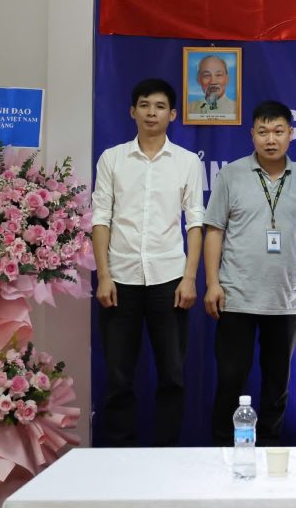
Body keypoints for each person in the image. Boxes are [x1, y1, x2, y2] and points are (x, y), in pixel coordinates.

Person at [91, 78, 204, 447]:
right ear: (132, 111)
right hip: (119, 279)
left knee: (172, 374)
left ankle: (165, 453)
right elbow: (100, 219)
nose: (151, 112)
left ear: (172, 114)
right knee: (119, 375)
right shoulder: (112, 158)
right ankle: (120, 454)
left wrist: (189, 279)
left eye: (159, 106)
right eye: (144, 105)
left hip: (169, 279)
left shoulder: (187, 162)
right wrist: (103, 276)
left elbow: (196, 222)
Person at [204, 100, 296, 446]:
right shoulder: (231, 174)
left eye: (279, 131)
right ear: (251, 134)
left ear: (291, 134)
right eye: (263, 131)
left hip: (284, 300)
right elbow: (214, 230)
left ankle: (270, 453)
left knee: (276, 384)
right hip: (235, 296)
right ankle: (223, 450)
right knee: (231, 380)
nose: (271, 139)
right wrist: (212, 284)